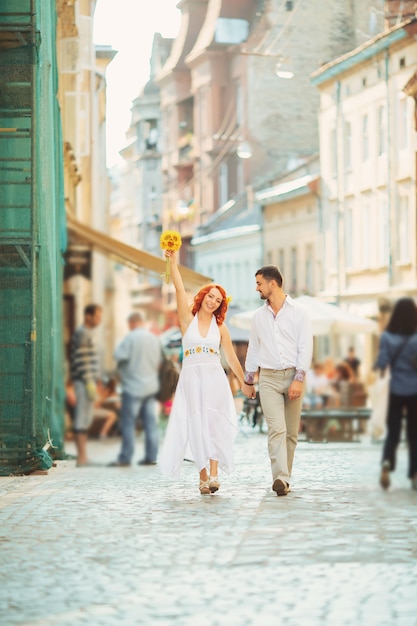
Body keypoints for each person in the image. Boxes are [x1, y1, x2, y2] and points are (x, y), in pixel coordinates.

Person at [159, 250, 245, 495]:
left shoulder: (221, 327)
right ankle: (203, 476)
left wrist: (245, 381)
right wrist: (172, 263)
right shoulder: (187, 320)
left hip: (214, 377)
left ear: (220, 305)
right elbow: (177, 289)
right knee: (196, 424)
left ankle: (215, 474)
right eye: (211, 296)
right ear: (203, 296)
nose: (213, 302)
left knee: (214, 423)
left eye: (218, 300)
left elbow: (230, 357)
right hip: (192, 378)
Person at [241, 266, 313, 496]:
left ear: (273, 284)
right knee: (277, 429)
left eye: (259, 283)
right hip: (269, 379)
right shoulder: (258, 317)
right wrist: (249, 381)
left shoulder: (299, 312)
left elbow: (305, 347)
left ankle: (285, 479)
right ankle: (280, 477)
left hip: (294, 375)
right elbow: (253, 350)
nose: (256, 288)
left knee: (291, 433)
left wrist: (299, 379)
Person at [109, 312, 164, 467]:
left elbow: (119, 356)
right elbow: (159, 363)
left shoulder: (130, 338)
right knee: (150, 423)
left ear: (132, 323)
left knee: (128, 423)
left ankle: (125, 457)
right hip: (151, 386)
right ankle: (151, 456)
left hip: (133, 387)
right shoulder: (154, 339)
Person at [373, 297, 417, 491]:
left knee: (394, 432)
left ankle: (386, 463)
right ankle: (415, 475)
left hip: (395, 391)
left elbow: (382, 363)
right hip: (415, 391)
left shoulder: (387, 337)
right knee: (414, 434)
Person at [69, 303, 103, 466]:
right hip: (83, 382)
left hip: (87, 381)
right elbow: (82, 360)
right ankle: (81, 458)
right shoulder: (82, 333)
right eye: (97, 316)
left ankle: (84, 457)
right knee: (82, 418)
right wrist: (89, 383)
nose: (99, 320)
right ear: (88, 316)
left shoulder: (87, 333)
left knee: (85, 417)